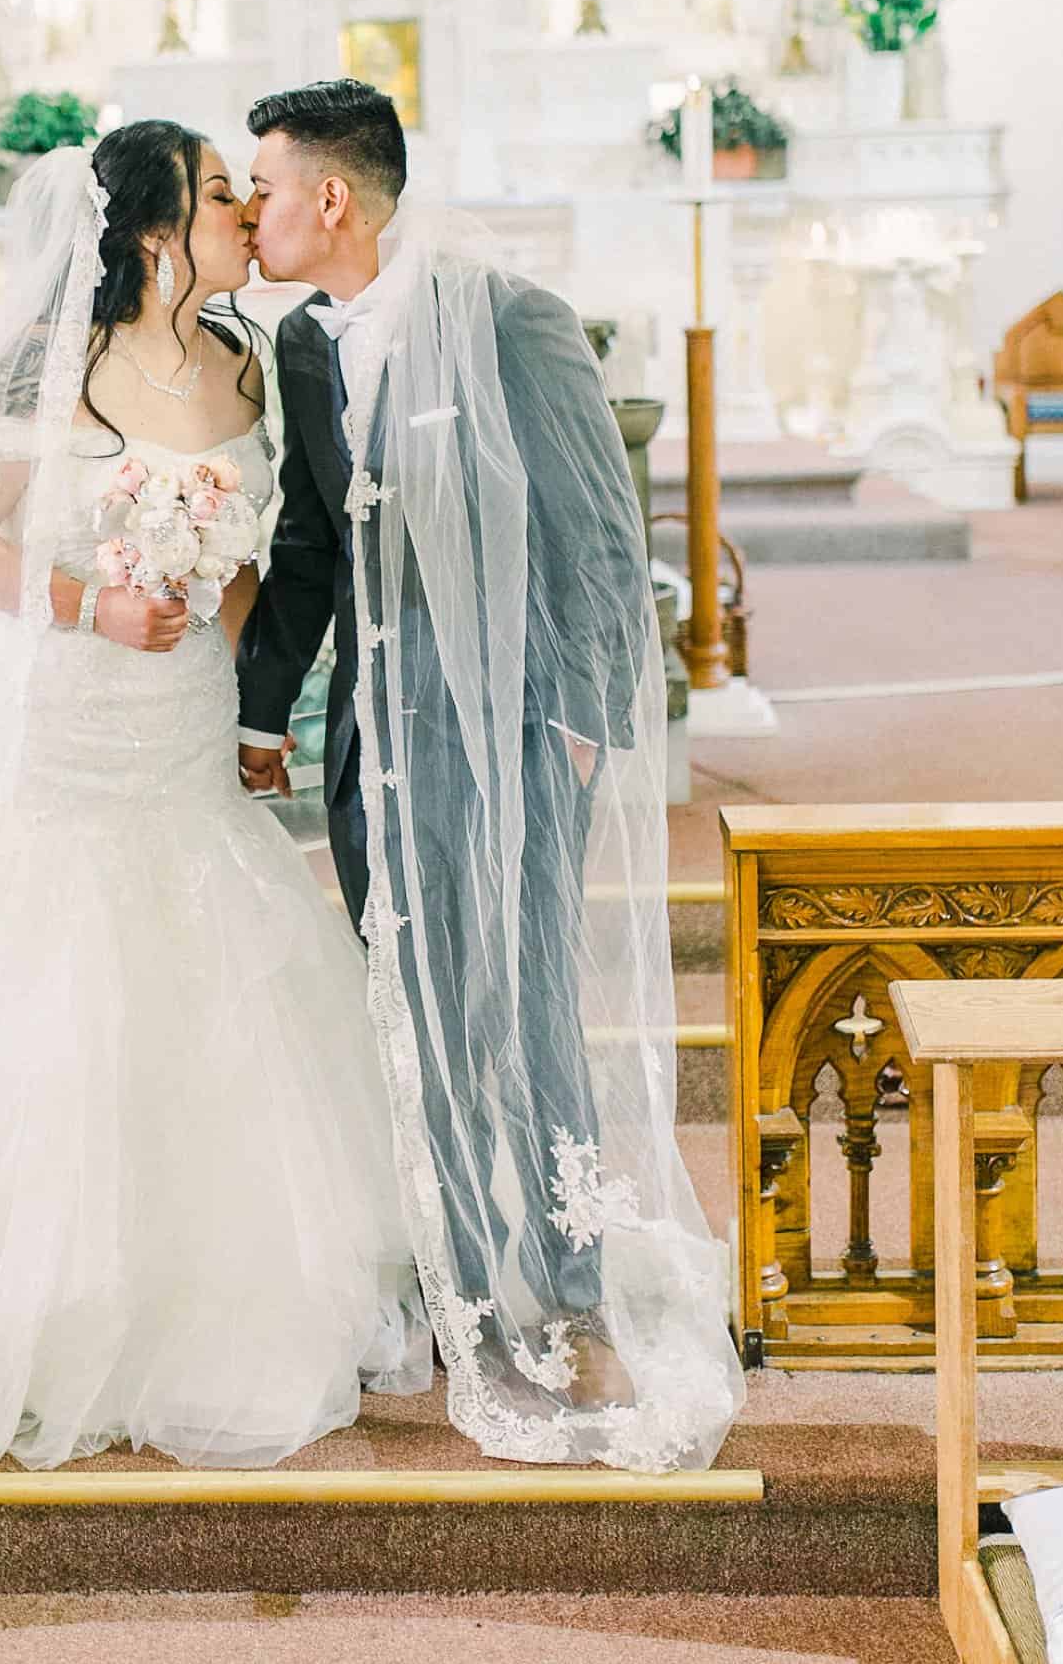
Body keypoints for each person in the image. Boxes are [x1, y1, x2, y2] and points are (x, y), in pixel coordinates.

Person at [0, 122, 428, 1476]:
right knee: (46, 973)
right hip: (59, 714)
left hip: (181, 724)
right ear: (150, 232)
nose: (246, 213)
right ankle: (37, 1306)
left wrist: (260, 709)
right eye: (217, 196)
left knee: (207, 968)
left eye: (248, 193)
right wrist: (84, 599)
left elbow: (249, 556)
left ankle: (204, 1300)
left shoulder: (245, 361)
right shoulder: (41, 363)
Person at [236, 80, 743, 1470]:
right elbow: (309, 553)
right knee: (402, 991)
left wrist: (580, 726)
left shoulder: (511, 318)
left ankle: (566, 1288)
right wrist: (259, 711)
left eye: (266, 186)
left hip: (512, 728)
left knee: (514, 996)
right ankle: (459, 1264)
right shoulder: (299, 343)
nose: (253, 209)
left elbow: (596, 531)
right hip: (375, 741)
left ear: (331, 197)